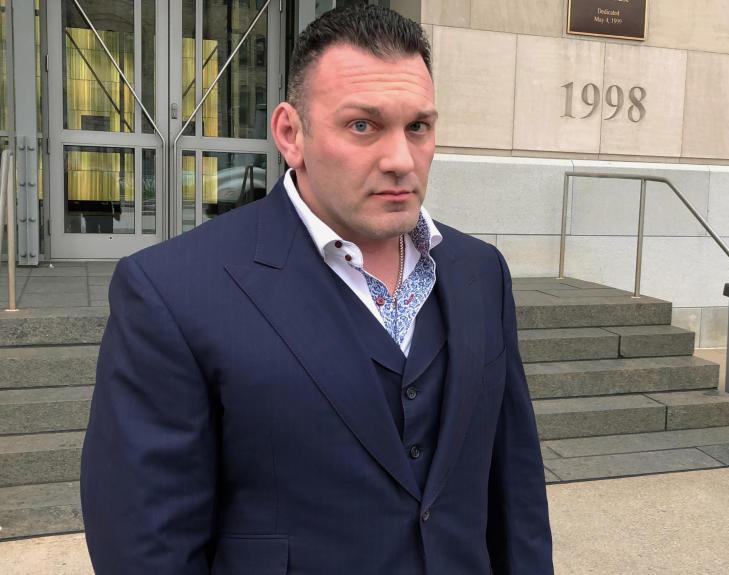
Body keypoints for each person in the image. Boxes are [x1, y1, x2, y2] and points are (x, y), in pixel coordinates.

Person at [80, 5, 553, 574]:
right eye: (363, 126)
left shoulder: (480, 273)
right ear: (291, 133)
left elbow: (515, 490)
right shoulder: (172, 292)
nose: (401, 159)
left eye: (418, 127)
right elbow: (144, 546)